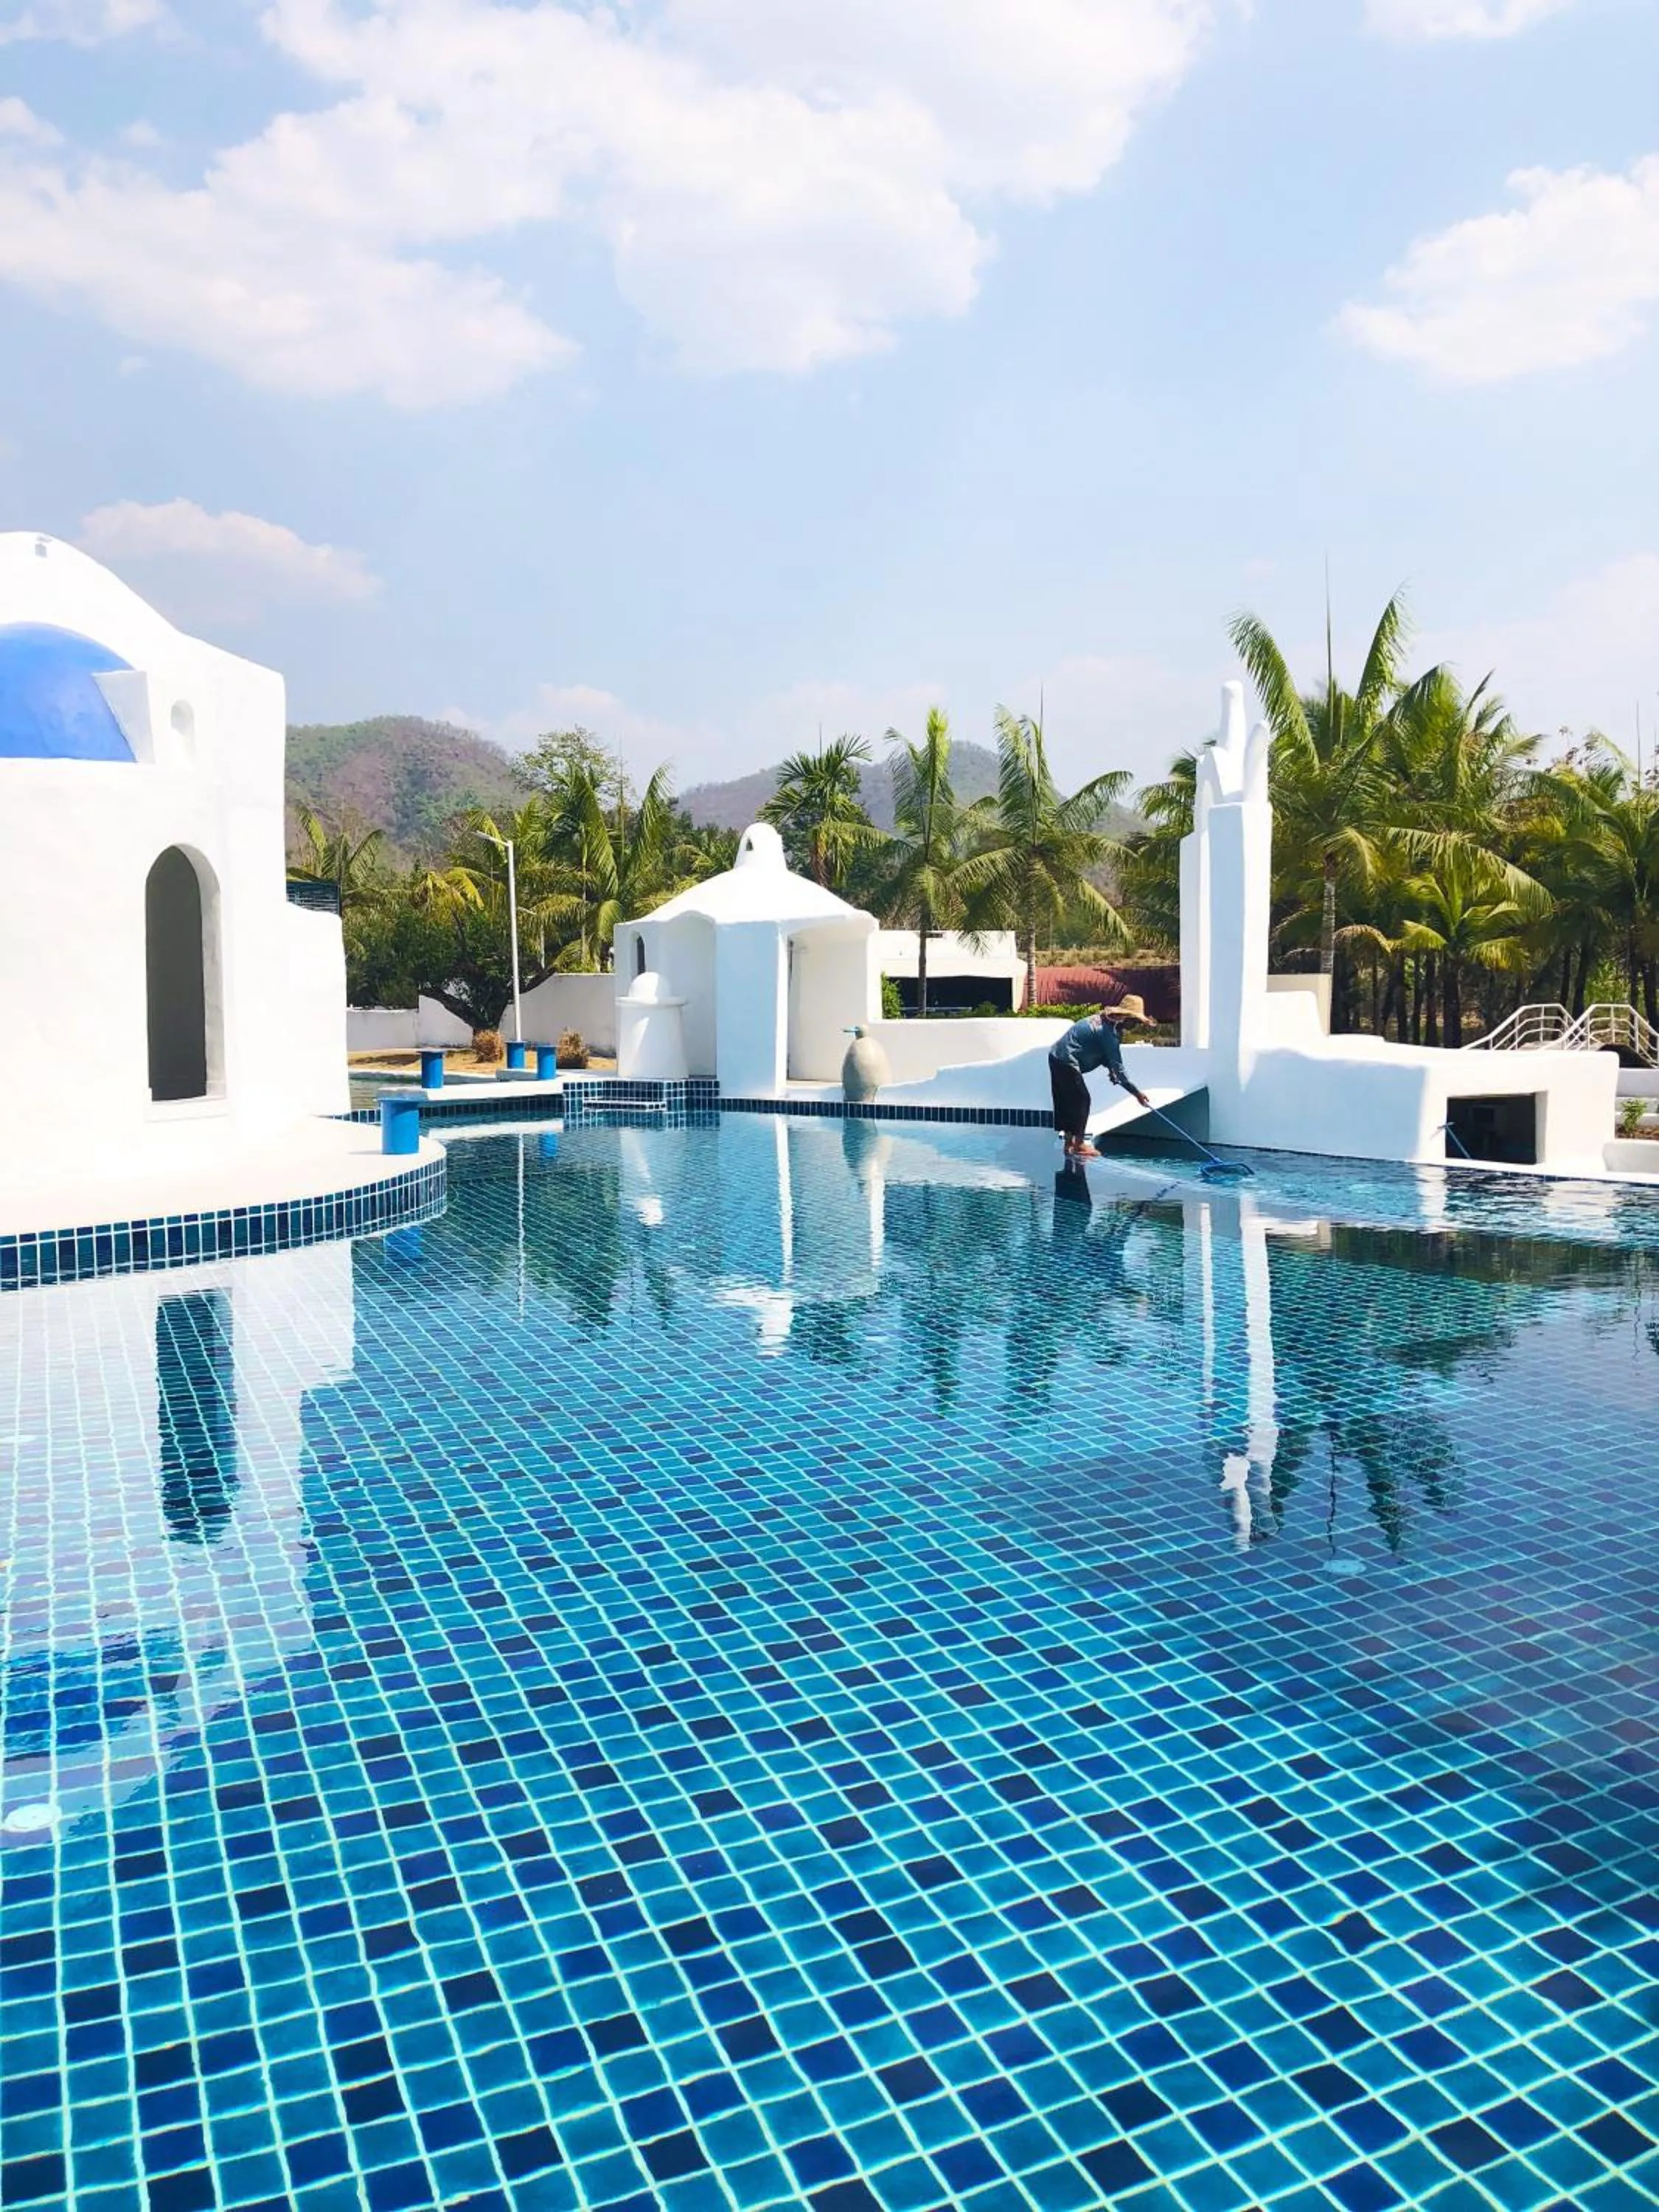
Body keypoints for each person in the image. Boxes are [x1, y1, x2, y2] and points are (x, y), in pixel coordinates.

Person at [1048, 995, 1153, 1160]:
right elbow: (1119, 1068)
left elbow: (1102, 1054)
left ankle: (1069, 1143)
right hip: (1065, 1059)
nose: (1135, 1026)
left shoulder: (1105, 1022)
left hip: (1055, 1056)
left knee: (1067, 1100)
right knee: (1082, 1099)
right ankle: (1079, 1144)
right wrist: (1137, 1094)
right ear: (1125, 1017)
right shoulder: (1109, 1033)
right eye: (1135, 1021)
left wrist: (1110, 1068)